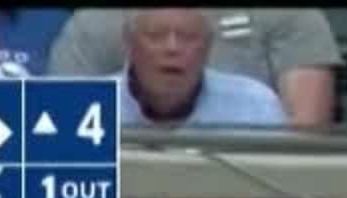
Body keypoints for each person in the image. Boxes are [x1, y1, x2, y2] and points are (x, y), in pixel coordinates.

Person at [115, 8, 290, 128]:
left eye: (189, 37)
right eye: (155, 36)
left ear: (208, 47)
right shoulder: (91, 102)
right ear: (129, 43)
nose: (172, 48)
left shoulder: (256, 104)